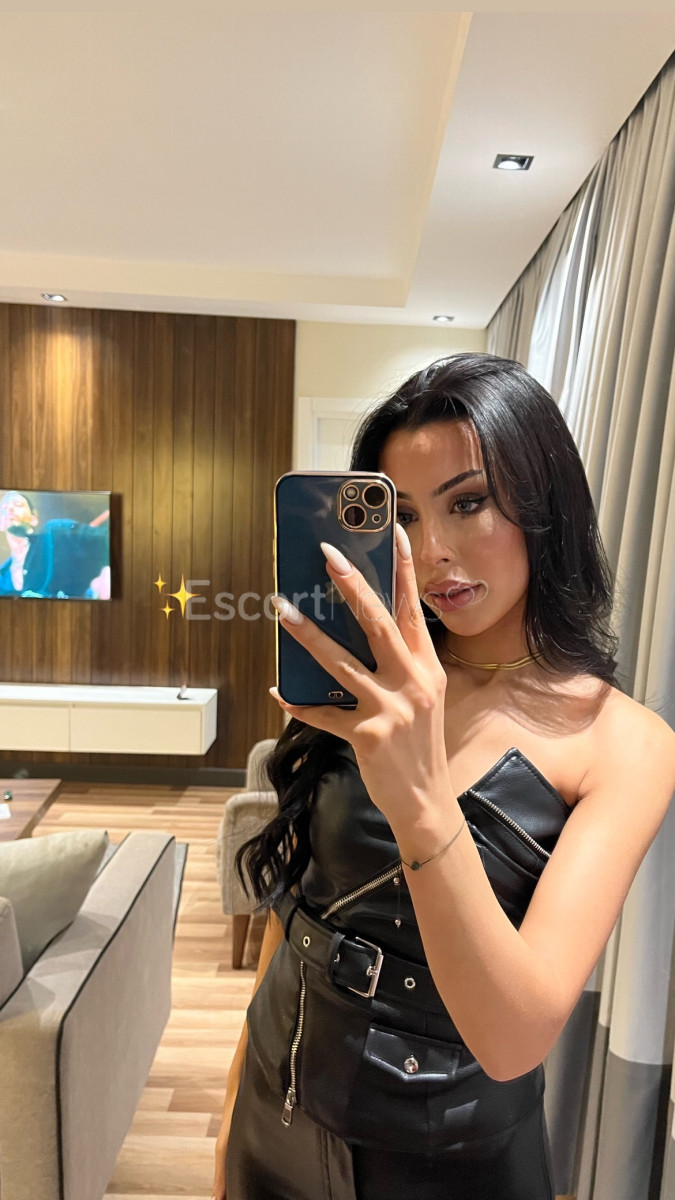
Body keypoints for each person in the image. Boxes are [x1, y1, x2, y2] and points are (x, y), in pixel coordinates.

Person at [212, 353, 675, 1200]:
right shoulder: (372, 676)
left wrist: (421, 800)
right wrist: (235, 1101)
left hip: (449, 1153)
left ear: (543, 503)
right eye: (402, 517)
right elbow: (297, 906)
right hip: (278, 1099)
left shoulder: (624, 744)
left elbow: (513, 1038)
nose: (431, 554)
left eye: (467, 503)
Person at [0, 490, 110, 598]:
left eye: (17, 504)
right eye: (4, 508)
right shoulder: (2, 575)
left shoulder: (56, 531)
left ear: (33, 520)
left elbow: (106, 539)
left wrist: (107, 573)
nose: (10, 509)